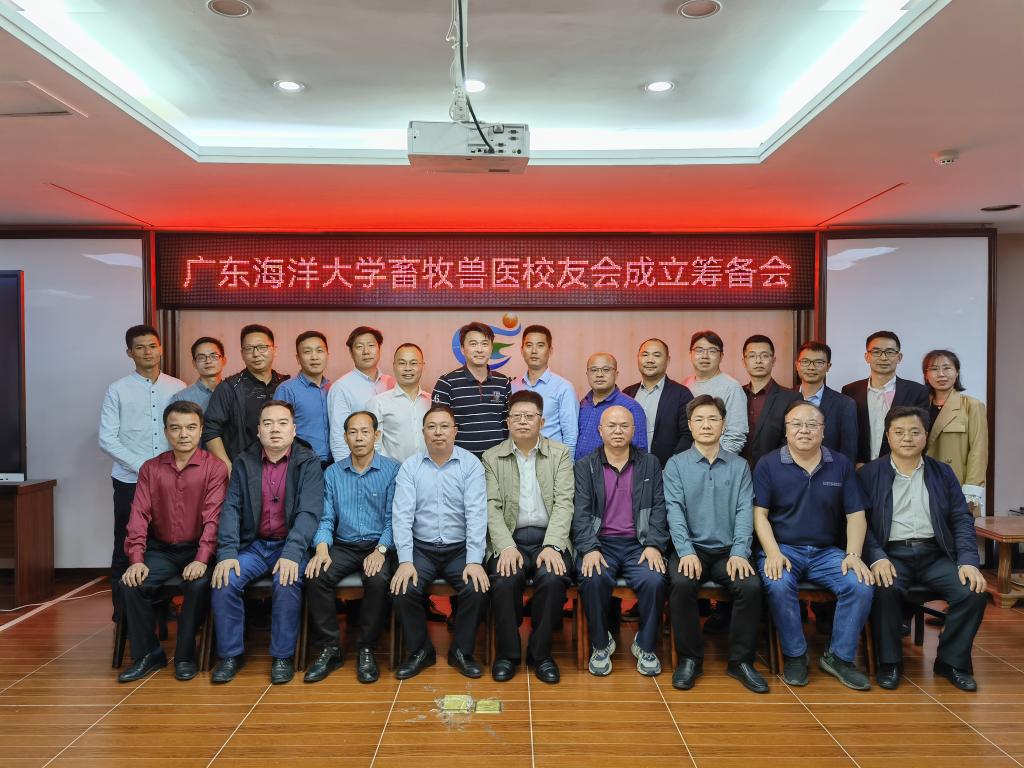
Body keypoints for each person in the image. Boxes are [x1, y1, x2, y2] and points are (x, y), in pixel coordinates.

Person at [858, 406, 988, 691]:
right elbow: (860, 524)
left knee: (973, 592)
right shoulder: (869, 474)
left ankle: (951, 662)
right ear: (888, 437)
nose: (907, 438)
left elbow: (961, 519)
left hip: (935, 555)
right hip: (891, 554)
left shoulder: (942, 473)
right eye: (899, 432)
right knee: (884, 588)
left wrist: (968, 561)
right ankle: (890, 662)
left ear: (926, 435)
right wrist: (876, 557)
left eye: (914, 432)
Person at [753, 401, 875, 690]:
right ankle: (795, 655)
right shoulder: (768, 464)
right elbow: (759, 515)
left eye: (812, 424)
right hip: (784, 549)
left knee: (860, 583)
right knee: (778, 582)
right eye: (796, 424)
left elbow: (856, 515)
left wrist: (853, 554)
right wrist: (772, 552)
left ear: (823, 430)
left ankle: (840, 658)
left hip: (826, 552)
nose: (804, 430)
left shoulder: (840, 464)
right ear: (786, 430)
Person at [209, 401, 323, 685]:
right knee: (225, 579)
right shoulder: (244, 462)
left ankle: (283, 656)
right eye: (268, 423)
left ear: (294, 430)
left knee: (286, 580)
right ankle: (230, 655)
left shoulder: (308, 462)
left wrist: (292, 553)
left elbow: (309, 512)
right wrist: (227, 553)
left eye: (282, 423)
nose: (275, 429)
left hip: (290, 545)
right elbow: (231, 509)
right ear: (258, 430)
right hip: (255, 546)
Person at [118, 401, 227, 682]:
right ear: (166, 431)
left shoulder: (215, 468)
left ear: (201, 430)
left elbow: (213, 518)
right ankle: (148, 654)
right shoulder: (151, 469)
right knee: (131, 584)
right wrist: (136, 559)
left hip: (199, 548)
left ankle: (185, 655)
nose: (184, 434)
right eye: (176, 428)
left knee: (199, 585)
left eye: (191, 427)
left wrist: (202, 559)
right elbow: (139, 515)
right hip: (162, 550)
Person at [664, 395, 766, 693]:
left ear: (723, 424)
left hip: (727, 552)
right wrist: (685, 551)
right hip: (690, 549)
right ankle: (690, 660)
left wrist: (739, 552)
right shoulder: (676, 465)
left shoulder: (740, 466)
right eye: (699, 419)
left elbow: (745, 511)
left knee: (750, 586)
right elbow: (674, 511)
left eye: (713, 419)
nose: (706, 425)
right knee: (681, 583)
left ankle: (741, 661)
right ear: (690, 425)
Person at [390, 405, 490, 679]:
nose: (438, 432)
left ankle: (461, 651)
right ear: (423, 432)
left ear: (455, 431)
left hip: (459, 549)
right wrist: (405, 561)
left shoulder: (470, 464)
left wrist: (474, 560)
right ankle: (421, 651)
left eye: (444, 426)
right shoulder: (410, 467)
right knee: (402, 588)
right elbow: (401, 516)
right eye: (431, 427)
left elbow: (476, 514)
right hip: (421, 548)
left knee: (477, 588)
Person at [483, 390, 574, 684]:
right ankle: (508, 654)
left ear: (541, 421)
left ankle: (541, 654)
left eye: (529, 416)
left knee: (553, 577)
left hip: (550, 537)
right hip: (511, 537)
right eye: (517, 416)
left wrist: (553, 545)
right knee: (505, 577)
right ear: (508, 421)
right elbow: (491, 507)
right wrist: (505, 546)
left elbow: (564, 503)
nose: (523, 421)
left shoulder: (560, 454)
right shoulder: (492, 457)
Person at [303, 411, 400, 684]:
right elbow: (325, 518)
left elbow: (395, 520)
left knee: (378, 579)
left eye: (365, 432)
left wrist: (381, 550)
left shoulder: (392, 470)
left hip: (378, 544)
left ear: (376, 435)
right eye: (353, 432)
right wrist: (322, 548)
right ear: (345, 438)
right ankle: (330, 648)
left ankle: (366, 648)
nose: (359, 438)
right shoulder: (333, 473)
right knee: (315, 575)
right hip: (343, 545)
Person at [572, 406, 668, 677]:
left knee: (655, 579)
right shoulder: (585, 466)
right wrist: (589, 548)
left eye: (624, 426)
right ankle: (601, 644)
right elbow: (580, 513)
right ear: (600, 430)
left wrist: (654, 544)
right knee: (593, 578)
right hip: (600, 543)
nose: (617, 431)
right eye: (611, 426)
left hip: (639, 543)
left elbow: (659, 508)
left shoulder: (649, 463)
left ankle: (645, 645)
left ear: (633, 430)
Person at [99, 324, 186, 617]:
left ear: (160, 348)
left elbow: (186, 432)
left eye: (152, 346)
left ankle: (160, 607)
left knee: (163, 543)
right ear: (129, 352)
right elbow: (107, 438)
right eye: (140, 347)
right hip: (130, 481)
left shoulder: (178, 387)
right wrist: (145, 468)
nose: (147, 352)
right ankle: (123, 613)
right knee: (126, 543)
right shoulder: (118, 390)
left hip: (172, 480)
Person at [203, 324, 288, 471]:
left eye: (262, 347)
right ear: (242, 353)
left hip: (284, 468)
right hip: (244, 468)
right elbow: (210, 430)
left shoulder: (286, 385)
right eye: (249, 349)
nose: (256, 354)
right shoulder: (229, 387)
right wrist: (227, 466)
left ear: (274, 350)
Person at [842, 331, 928, 466]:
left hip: (900, 468)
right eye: (876, 352)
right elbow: (847, 433)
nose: (883, 357)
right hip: (860, 468)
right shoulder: (850, 391)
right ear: (867, 357)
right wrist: (855, 462)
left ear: (899, 357)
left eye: (889, 352)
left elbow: (920, 434)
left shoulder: (917, 392)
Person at [922, 349, 988, 516]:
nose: (941, 374)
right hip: (921, 483)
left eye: (947, 368)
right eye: (934, 369)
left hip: (956, 485)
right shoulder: (918, 405)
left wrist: (971, 492)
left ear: (957, 372)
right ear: (926, 375)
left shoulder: (972, 405)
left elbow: (979, 451)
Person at [432, 321, 512, 458]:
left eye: (485, 344)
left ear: (491, 348)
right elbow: (439, 426)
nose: (479, 350)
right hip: (461, 462)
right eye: (473, 344)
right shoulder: (446, 382)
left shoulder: (503, 382)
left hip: (497, 462)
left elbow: (508, 423)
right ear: (463, 349)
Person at [622, 338, 694, 468]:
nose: (650, 360)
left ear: (668, 360)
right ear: (638, 358)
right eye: (645, 355)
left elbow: (688, 435)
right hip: (630, 469)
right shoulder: (627, 393)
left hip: (667, 470)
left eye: (657, 355)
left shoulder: (682, 394)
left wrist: (672, 466)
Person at [328, 326, 395, 462]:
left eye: (371, 345)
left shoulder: (392, 383)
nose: (366, 351)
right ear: (351, 352)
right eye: (359, 347)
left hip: (394, 463)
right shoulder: (341, 387)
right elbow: (339, 436)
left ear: (379, 348)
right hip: (360, 465)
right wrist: (345, 470)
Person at [512, 325, 579, 455]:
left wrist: (567, 465)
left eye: (540, 345)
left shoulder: (564, 387)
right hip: (517, 459)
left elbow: (570, 436)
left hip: (552, 460)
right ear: (522, 350)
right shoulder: (513, 386)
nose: (534, 351)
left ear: (550, 350)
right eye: (529, 345)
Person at [682, 330, 748, 454]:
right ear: (690, 354)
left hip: (716, 460)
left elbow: (736, 437)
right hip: (687, 458)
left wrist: (716, 462)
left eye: (712, 351)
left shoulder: (732, 387)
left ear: (721, 356)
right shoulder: (686, 383)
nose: (705, 356)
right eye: (699, 350)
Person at [274, 331, 332, 470]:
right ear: (298, 358)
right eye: (307, 352)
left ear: (327, 355)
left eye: (319, 351)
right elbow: (278, 432)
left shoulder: (333, 388)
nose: (314, 357)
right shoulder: (287, 389)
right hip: (301, 465)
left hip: (333, 465)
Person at [741, 334, 800, 470]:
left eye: (764, 355)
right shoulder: (736, 394)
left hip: (775, 471)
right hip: (737, 473)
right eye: (752, 356)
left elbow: (792, 440)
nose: (758, 361)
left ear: (773, 360)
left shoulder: (791, 398)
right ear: (744, 361)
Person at [575, 353, 648, 461]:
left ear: (616, 374)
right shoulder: (582, 404)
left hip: (610, 471)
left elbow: (640, 453)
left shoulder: (631, 407)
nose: (599, 374)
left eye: (606, 370)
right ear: (587, 374)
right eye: (594, 370)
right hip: (578, 469)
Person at [794, 341, 858, 464]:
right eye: (805, 361)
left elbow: (848, 452)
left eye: (819, 362)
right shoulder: (783, 399)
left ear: (828, 366)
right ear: (797, 365)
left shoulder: (845, 404)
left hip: (830, 472)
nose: (811, 367)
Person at [367, 342, 430, 463]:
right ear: (394, 366)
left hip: (429, 470)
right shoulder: (378, 403)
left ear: (423, 366)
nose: (408, 368)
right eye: (402, 363)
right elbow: (374, 446)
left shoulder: (431, 402)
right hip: (393, 472)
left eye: (413, 363)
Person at [170, 337, 226, 412]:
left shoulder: (233, 393)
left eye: (213, 356)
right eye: (201, 357)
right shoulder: (181, 398)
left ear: (224, 360)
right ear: (194, 363)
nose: (208, 361)